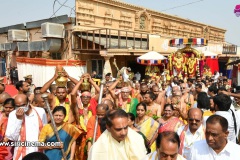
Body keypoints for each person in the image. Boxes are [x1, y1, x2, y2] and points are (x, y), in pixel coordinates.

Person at [5, 94, 47, 160]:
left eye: (23, 105)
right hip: (21, 154)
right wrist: (19, 119)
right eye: (17, 106)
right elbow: (12, 137)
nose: (20, 108)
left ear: (28, 102)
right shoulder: (13, 114)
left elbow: (45, 130)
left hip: (38, 152)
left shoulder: (40, 111)